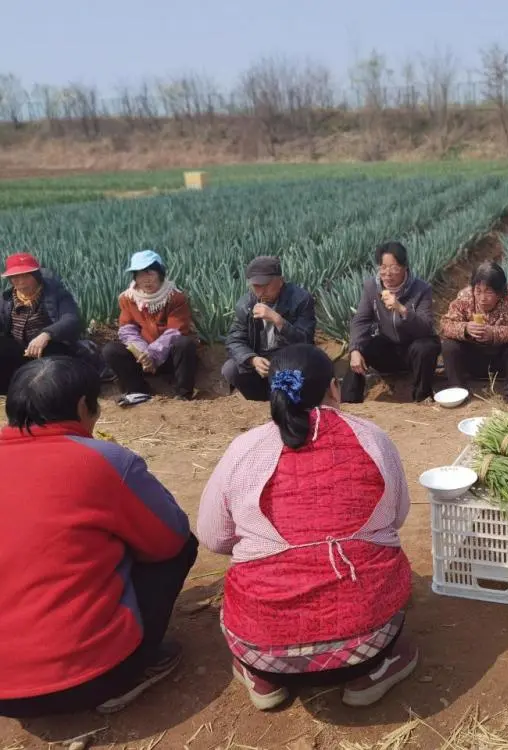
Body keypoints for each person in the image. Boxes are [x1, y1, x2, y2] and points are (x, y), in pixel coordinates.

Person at [197, 344, 417, 712]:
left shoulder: (245, 449)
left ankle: (263, 679)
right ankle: (370, 674)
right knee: (392, 589)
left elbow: (213, 537)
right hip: (364, 643)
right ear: (335, 388)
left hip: (263, 646)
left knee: (248, 591)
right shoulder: (372, 438)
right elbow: (395, 519)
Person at [0, 357, 197, 718]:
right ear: (82, 406)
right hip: (85, 679)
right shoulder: (105, 460)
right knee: (181, 544)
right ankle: (136, 665)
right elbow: (171, 537)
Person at [342, 242, 441, 404]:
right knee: (361, 347)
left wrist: (402, 310)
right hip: (389, 349)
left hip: (413, 352)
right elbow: (361, 320)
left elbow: (425, 327)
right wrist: (354, 350)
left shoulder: (421, 289)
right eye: (383, 267)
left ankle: (422, 397)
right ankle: (349, 402)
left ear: (405, 267)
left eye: (394, 268)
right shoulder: (371, 287)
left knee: (426, 346)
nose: (387, 274)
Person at [102, 250, 199, 406]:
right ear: (135, 277)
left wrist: (152, 354)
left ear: (160, 274)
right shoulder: (128, 298)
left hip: (168, 357)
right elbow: (127, 329)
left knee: (184, 344)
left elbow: (175, 331)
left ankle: (183, 393)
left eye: (150, 273)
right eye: (140, 275)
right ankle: (138, 390)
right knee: (110, 350)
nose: (146, 280)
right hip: (142, 359)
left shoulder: (175, 297)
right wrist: (142, 352)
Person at [440, 261, 508, 404]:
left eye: (489, 292)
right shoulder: (465, 297)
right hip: (474, 358)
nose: (482, 298)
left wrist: (495, 333)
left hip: (502, 359)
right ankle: (458, 391)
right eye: (478, 291)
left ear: (500, 292)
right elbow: (445, 324)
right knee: (449, 345)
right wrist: (466, 329)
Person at [223, 256, 316, 401]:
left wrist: (278, 320)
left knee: (300, 368)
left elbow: (305, 341)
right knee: (231, 369)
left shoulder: (301, 299)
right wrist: (252, 359)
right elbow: (234, 340)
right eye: (255, 286)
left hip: (288, 358)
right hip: (261, 360)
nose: (260, 292)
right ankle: (260, 401)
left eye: (265, 286)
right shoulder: (245, 304)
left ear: (280, 281)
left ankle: (287, 400)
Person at [0, 252, 83, 395]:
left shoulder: (57, 294)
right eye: (15, 277)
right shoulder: (6, 298)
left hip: (50, 349)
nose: (20, 281)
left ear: (36, 275)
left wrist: (46, 335)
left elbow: (71, 319)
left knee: (51, 365)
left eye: (26, 276)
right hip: (20, 350)